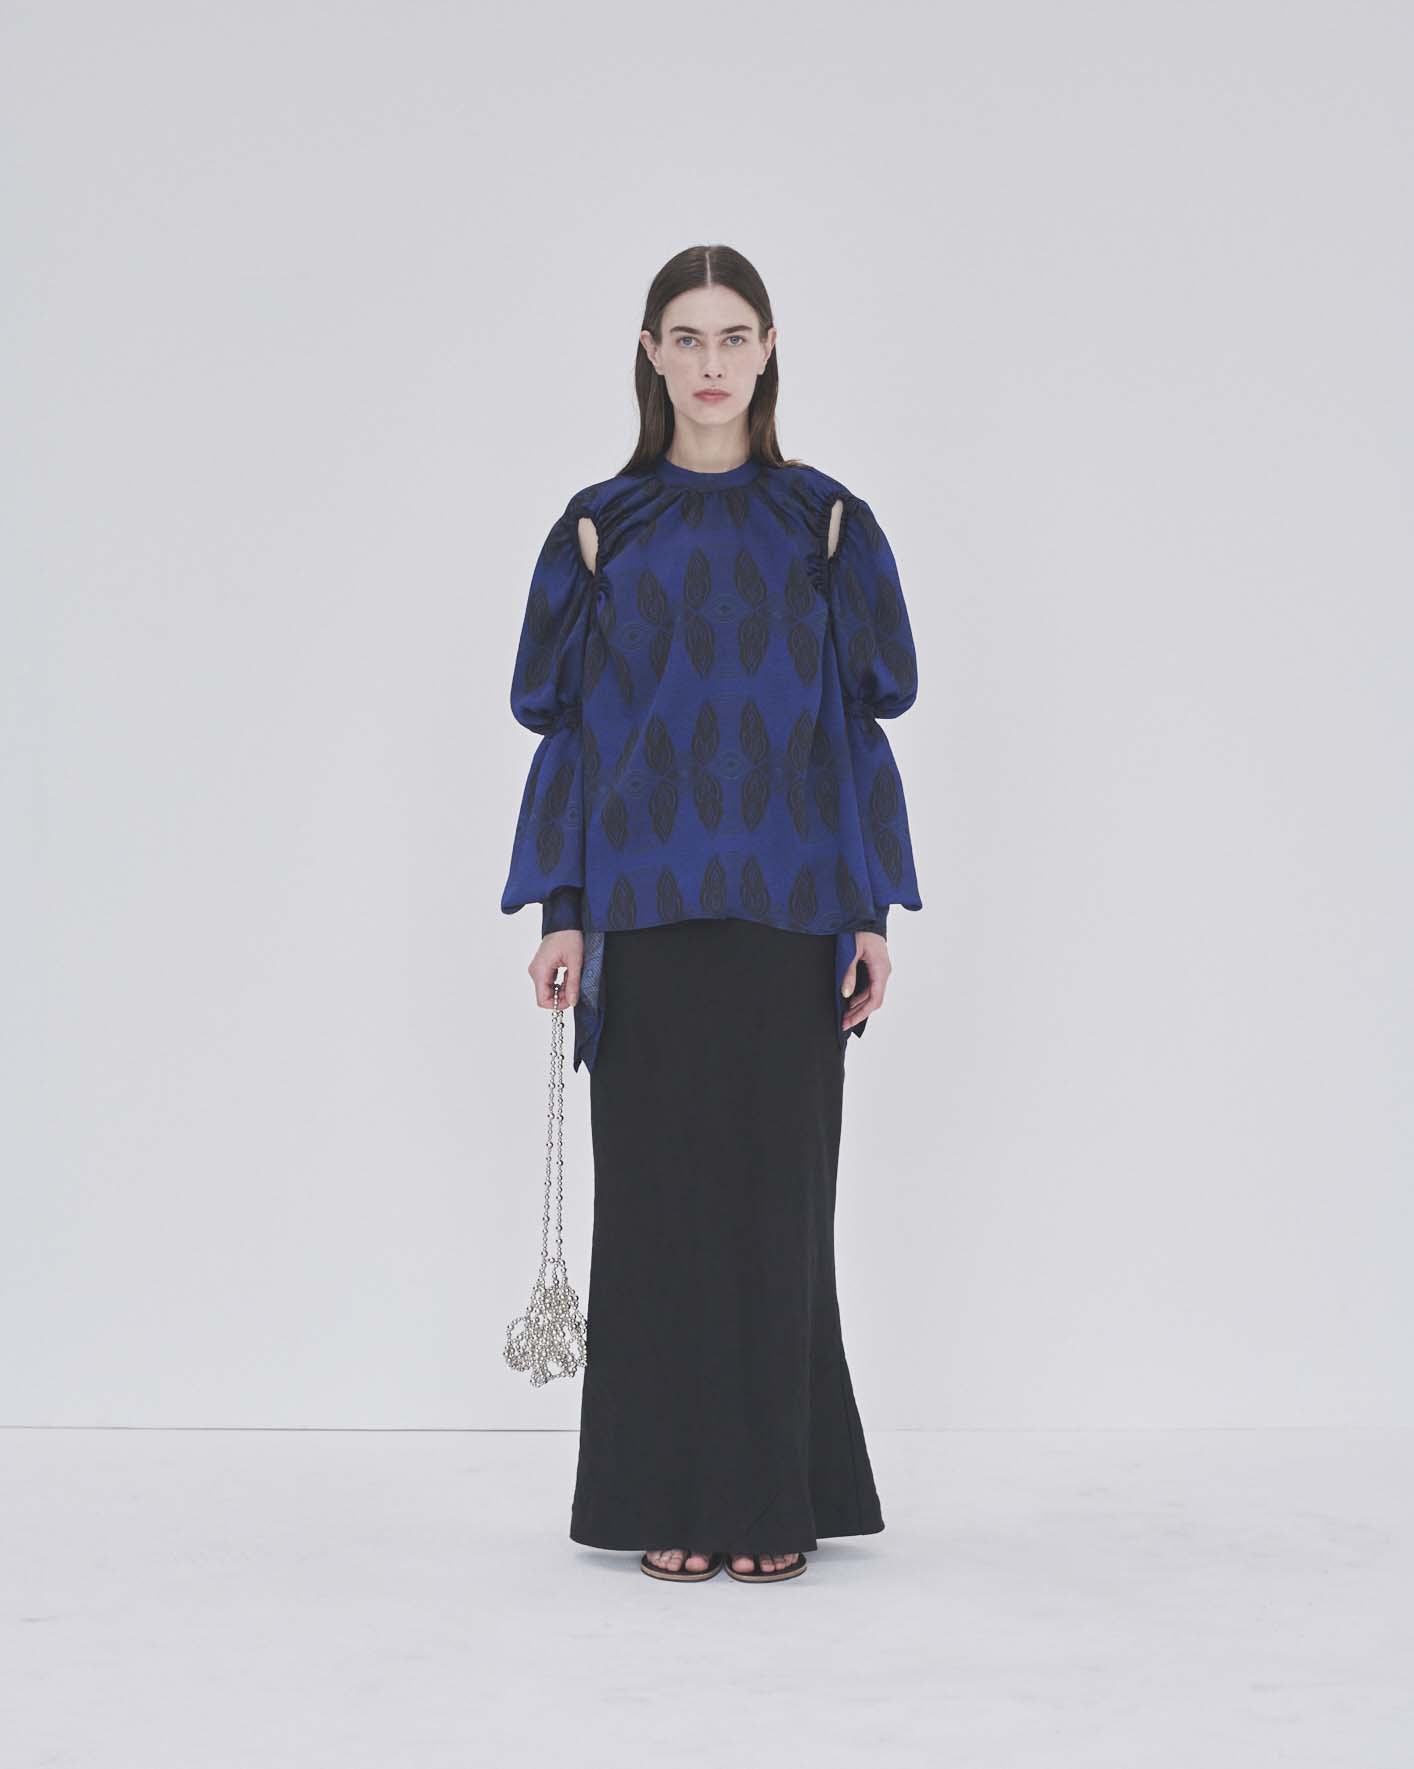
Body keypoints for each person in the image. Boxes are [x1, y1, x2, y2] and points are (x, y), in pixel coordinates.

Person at [500, 244, 922, 1584]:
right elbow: (570, 734)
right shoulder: (599, 528)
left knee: (778, 1209)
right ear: (649, 352)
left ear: (769, 347)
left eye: (733, 336)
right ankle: (666, 1497)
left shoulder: (826, 525)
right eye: (685, 337)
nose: (710, 362)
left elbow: (854, 728)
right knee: (658, 1212)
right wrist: (564, 910)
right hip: (643, 910)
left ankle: (771, 1500)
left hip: (792, 911)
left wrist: (869, 911)